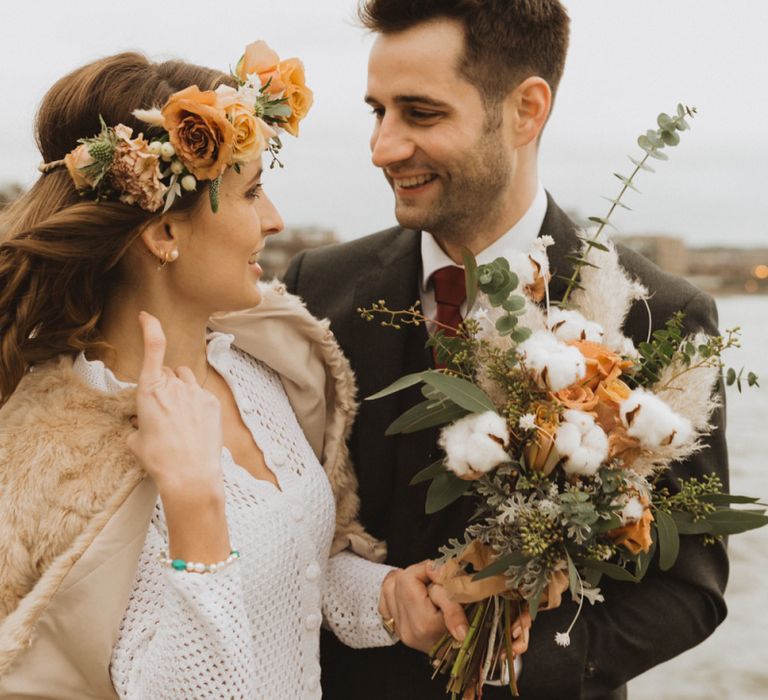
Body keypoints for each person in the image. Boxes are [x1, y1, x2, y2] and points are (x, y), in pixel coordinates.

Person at [0, 43, 477, 699]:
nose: (275, 219)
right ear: (164, 233)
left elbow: (293, 568)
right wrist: (195, 509)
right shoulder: (63, 466)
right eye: (251, 190)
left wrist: (391, 597)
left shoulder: (254, 369)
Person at [284, 1, 729, 698]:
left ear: (526, 110)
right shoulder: (316, 290)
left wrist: (515, 660)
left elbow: (691, 588)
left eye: (420, 114)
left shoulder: (663, 318)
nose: (383, 147)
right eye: (378, 112)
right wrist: (379, 594)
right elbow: (274, 530)